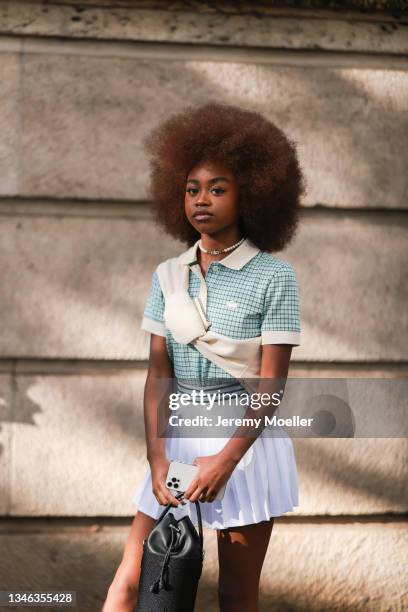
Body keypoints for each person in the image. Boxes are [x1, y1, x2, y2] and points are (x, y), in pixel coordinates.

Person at [102, 102, 306, 612]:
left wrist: (226, 460)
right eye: (192, 189)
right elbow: (157, 374)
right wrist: (155, 457)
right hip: (175, 442)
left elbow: (271, 386)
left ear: (252, 193)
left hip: (243, 445)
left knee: (235, 594)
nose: (201, 200)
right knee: (133, 583)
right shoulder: (167, 275)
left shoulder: (274, 278)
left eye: (218, 188)